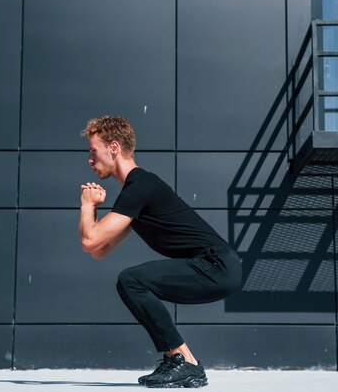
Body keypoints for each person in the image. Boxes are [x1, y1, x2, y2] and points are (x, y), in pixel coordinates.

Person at [79, 115, 242, 388]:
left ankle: (180, 360)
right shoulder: (136, 191)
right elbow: (99, 250)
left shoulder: (140, 184)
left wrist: (86, 204)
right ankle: (188, 366)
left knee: (132, 280)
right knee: (131, 281)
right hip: (218, 266)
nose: (90, 159)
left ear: (114, 148)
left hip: (216, 265)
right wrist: (94, 209)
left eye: (93, 151)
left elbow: (90, 241)